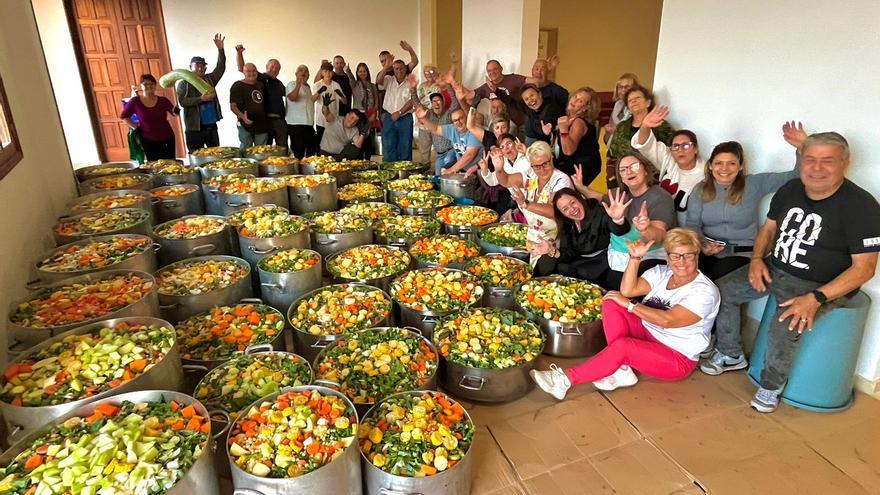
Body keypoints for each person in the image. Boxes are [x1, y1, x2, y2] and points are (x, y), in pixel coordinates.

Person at [700, 132, 880, 413]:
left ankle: (771, 386)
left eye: (827, 160)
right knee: (722, 290)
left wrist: (816, 298)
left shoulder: (862, 206)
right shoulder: (792, 190)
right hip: (775, 267)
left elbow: (864, 269)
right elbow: (769, 229)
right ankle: (731, 353)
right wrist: (758, 259)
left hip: (820, 284)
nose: (817, 168)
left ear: (845, 162)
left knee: (785, 323)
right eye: (810, 159)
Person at [531, 228, 720, 399]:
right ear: (668, 257)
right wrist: (635, 258)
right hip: (648, 333)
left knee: (623, 346)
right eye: (675, 256)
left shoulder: (704, 291)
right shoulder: (661, 272)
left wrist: (630, 306)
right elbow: (628, 291)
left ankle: (564, 381)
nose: (682, 262)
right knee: (613, 301)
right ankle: (622, 368)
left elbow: (667, 320)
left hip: (677, 356)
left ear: (697, 256)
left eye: (688, 256)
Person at [685, 123, 804, 280]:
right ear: (711, 166)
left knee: (718, 281)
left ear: (740, 166)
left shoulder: (755, 183)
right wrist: (703, 245)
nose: (724, 168)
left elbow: (795, 177)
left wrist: (803, 147)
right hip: (706, 252)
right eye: (719, 163)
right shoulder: (700, 189)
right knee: (689, 280)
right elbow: (692, 225)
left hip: (742, 255)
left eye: (732, 163)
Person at [579, 154, 676, 290]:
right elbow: (598, 197)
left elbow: (660, 235)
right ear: (622, 178)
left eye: (634, 166)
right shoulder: (619, 195)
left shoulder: (660, 197)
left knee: (614, 286)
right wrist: (581, 187)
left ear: (646, 170)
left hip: (646, 256)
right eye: (623, 170)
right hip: (616, 255)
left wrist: (645, 228)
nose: (629, 172)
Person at [486, 141, 573, 261]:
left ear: (551, 158)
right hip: (532, 236)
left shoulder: (561, 180)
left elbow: (555, 211)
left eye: (545, 164)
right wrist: (499, 169)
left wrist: (525, 203)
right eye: (536, 166)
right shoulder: (531, 175)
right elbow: (506, 180)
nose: (541, 169)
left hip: (555, 241)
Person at [531, 188, 632, 287]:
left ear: (580, 198)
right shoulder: (568, 223)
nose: (572, 209)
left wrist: (618, 219)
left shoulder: (598, 212)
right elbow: (568, 254)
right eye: (565, 209)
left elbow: (620, 230)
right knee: (548, 267)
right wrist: (551, 250)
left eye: (573, 203)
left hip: (599, 263)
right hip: (578, 261)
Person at [630, 106, 706, 220]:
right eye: (676, 146)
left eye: (686, 145)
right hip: (659, 219)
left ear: (696, 149)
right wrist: (645, 126)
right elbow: (646, 144)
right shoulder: (669, 158)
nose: (680, 150)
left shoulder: (706, 172)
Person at [460, 56, 559, 129]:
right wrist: (454, 84)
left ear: (501, 69)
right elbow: (468, 96)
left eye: (495, 69)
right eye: (489, 71)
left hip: (521, 124)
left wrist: (548, 69)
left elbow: (536, 82)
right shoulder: (486, 87)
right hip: (500, 126)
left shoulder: (513, 79)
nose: (492, 72)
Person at [177, 34, 225, 152]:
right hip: (194, 129)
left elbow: (220, 68)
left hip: (211, 127)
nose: (200, 68)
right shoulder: (184, 83)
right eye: (197, 66)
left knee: (215, 155)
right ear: (190, 67)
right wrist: (201, 99)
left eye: (202, 66)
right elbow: (183, 102)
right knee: (196, 157)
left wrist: (221, 50)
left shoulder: (210, 79)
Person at [235, 45, 286, 148]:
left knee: (282, 149)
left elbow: (291, 97)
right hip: (265, 120)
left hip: (280, 121)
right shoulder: (260, 78)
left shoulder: (280, 84)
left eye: (277, 68)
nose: (274, 69)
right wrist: (239, 53)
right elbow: (242, 68)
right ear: (267, 67)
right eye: (272, 66)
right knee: (265, 149)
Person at [608, 85, 674, 159]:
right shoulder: (621, 126)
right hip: (626, 168)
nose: (633, 101)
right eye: (630, 100)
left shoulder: (661, 125)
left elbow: (672, 150)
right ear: (628, 108)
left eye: (637, 98)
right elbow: (613, 153)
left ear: (648, 103)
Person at [121, 74, 177, 160]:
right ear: (141, 86)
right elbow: (124, 116)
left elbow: (174, 113)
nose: (149, 86)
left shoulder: (163, 100)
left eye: (151, 84)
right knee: (154, 165)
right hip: (148, 139)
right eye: (145, 84)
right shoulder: (135, 101)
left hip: (167, 137)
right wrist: (135, 127)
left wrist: (176, 110)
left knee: (170, 164)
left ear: (155, 86)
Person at [416, 106, 481, 175]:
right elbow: (436, 129)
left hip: (478, 170)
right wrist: (423, 118)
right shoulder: (453, 128)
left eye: (460, 118)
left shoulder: (474, 131)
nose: (458, 122)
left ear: (467, 117)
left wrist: (451, 170)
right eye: (455, 120)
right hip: (463, 169)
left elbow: (469, 155)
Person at [555, 87, 602, 185]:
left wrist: (563, 129)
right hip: (571, 165)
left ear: (585, 108)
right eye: (575, 96)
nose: (575, 100)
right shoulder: (570, 119)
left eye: (580, 101)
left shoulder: (579, 122)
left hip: (581, 169)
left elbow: (568, 151)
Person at [378, 59, 415, 162]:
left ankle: (405, 172)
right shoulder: (389, 79)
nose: (399, 71)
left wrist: (399, 113)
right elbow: (378, 81)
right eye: (396, 68)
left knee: (405, 145)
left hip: (405, 118)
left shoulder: (410, 81)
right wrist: (386, 67)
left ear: (405, 69)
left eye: (401, 68)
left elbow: (412, 100)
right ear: (393, 69)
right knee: (389, 146)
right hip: (389, 117)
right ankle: (390, 172)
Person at [229, 63, 268, 148]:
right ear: (243, 72)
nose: (252, 73)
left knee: (261, 150)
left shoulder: (260, 85)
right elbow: (233, 106)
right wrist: (243, 117)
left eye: (254, 71)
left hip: (261, 124)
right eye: (248, 71)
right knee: (246, 150)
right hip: (245, 124)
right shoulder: (237, 86)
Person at [318, 96, 367, 161]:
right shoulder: (335, 119)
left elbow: (358, 145)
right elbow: (326, 113)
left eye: (355, 121)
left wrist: (363, 133)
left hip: (339, 155)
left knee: (354, 149)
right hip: (325, 153)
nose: (352, 121)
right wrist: (325, 105)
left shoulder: (354, 130)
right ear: (347, 115)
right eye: (352, 117)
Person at [346, 62, 379, 158]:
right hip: (358, 116)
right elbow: (351, 78)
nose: (362, 73)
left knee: (368, 141)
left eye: (364, 71)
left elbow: (376, 101)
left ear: (367, 72)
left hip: (369, 115)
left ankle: (368, 162)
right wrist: (348, 71)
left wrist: (374, 113)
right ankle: (358, 161)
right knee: (359, 139)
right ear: (357, 73)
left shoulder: (372, 86)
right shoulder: (355, 84)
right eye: (360, 71)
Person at [285, 64, 316, 159]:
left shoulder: (308, 87)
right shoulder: (291, 84)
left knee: (312, 148)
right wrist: (298, 85)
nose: (303, 72)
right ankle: (297, 172)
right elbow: (292, 98)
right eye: (301, 70)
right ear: (296, 73)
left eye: (306, 71)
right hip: (295, 123)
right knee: (298, 151)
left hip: (308, 123)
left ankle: (307, 170)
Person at [312, 62, 345, 147]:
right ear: (322, 72)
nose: (328, 73)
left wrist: (340, 95)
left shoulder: (336, 85)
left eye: (330, 71)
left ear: (332, 73)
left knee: (332, 146)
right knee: (320, 145)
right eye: (325, 71)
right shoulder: (317, 84)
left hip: (333, 121)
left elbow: (345, 101)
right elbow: (312, 100)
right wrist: (320, 91)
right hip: (321, 121)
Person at [415, 65, 441, 165]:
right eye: (425, 72)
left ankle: (439, 170)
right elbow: (417, 101)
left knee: (439, 148)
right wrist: (419, 116)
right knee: (424, 149)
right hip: (423, 121)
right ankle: (425, 169)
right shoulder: (422, 86)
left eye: (430, 71)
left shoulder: (439, 86)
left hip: (436, 121)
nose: (428, 74)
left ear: (435, 72)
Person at [603, 73, 638, 140]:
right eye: (620, 87)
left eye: (627, 87)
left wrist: (617, 130)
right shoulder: (618, 104)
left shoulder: (638, 107)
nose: (623, 90)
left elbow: (636, 133)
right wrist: (608, 131)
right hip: (614, 144)